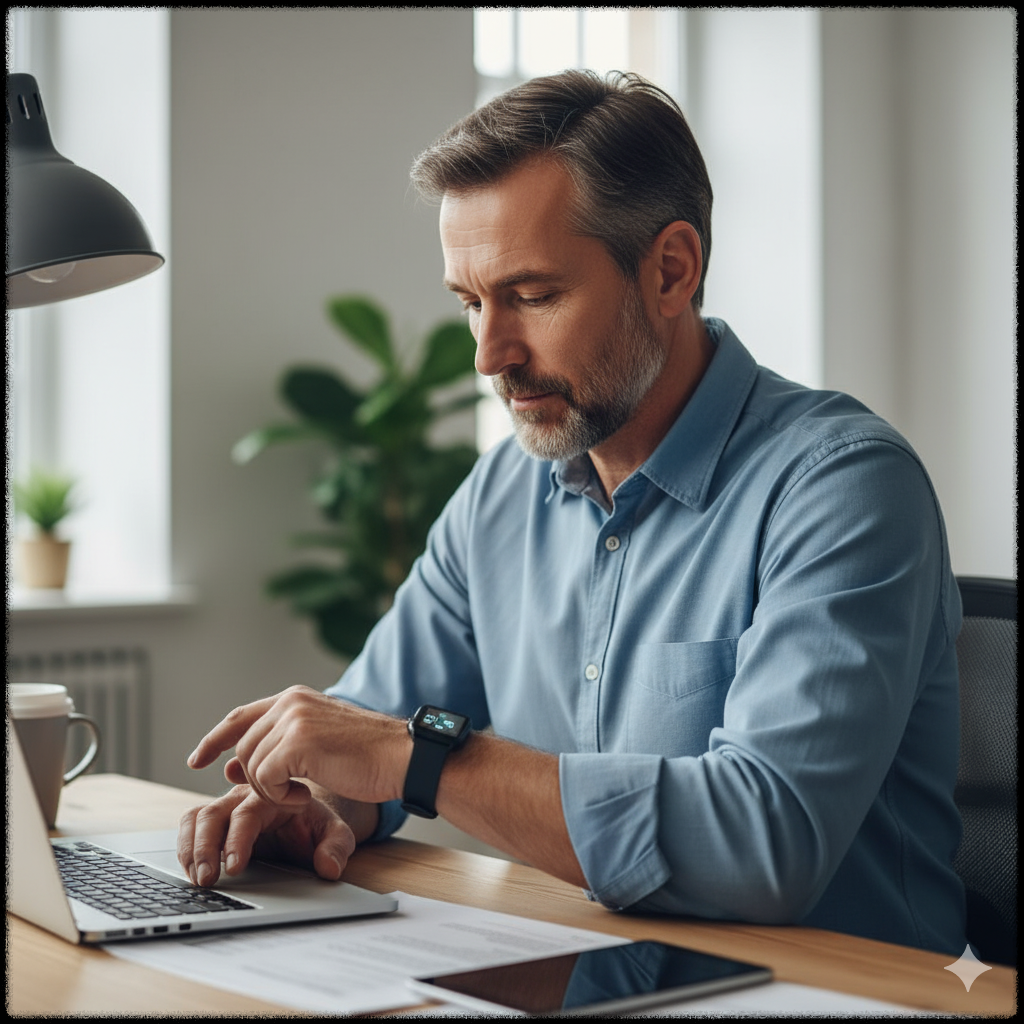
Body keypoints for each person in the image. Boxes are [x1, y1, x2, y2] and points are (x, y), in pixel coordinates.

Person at [178, 70, 966, 956]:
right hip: (588, 973)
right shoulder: (500, 496)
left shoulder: (842, 486)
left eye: (532, 296)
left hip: (838, 993)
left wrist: (416, 756)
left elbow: (763, 841)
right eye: (471, 302)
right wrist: (318, 800)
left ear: (670, 271)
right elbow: (373, 727)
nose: (489, 354)